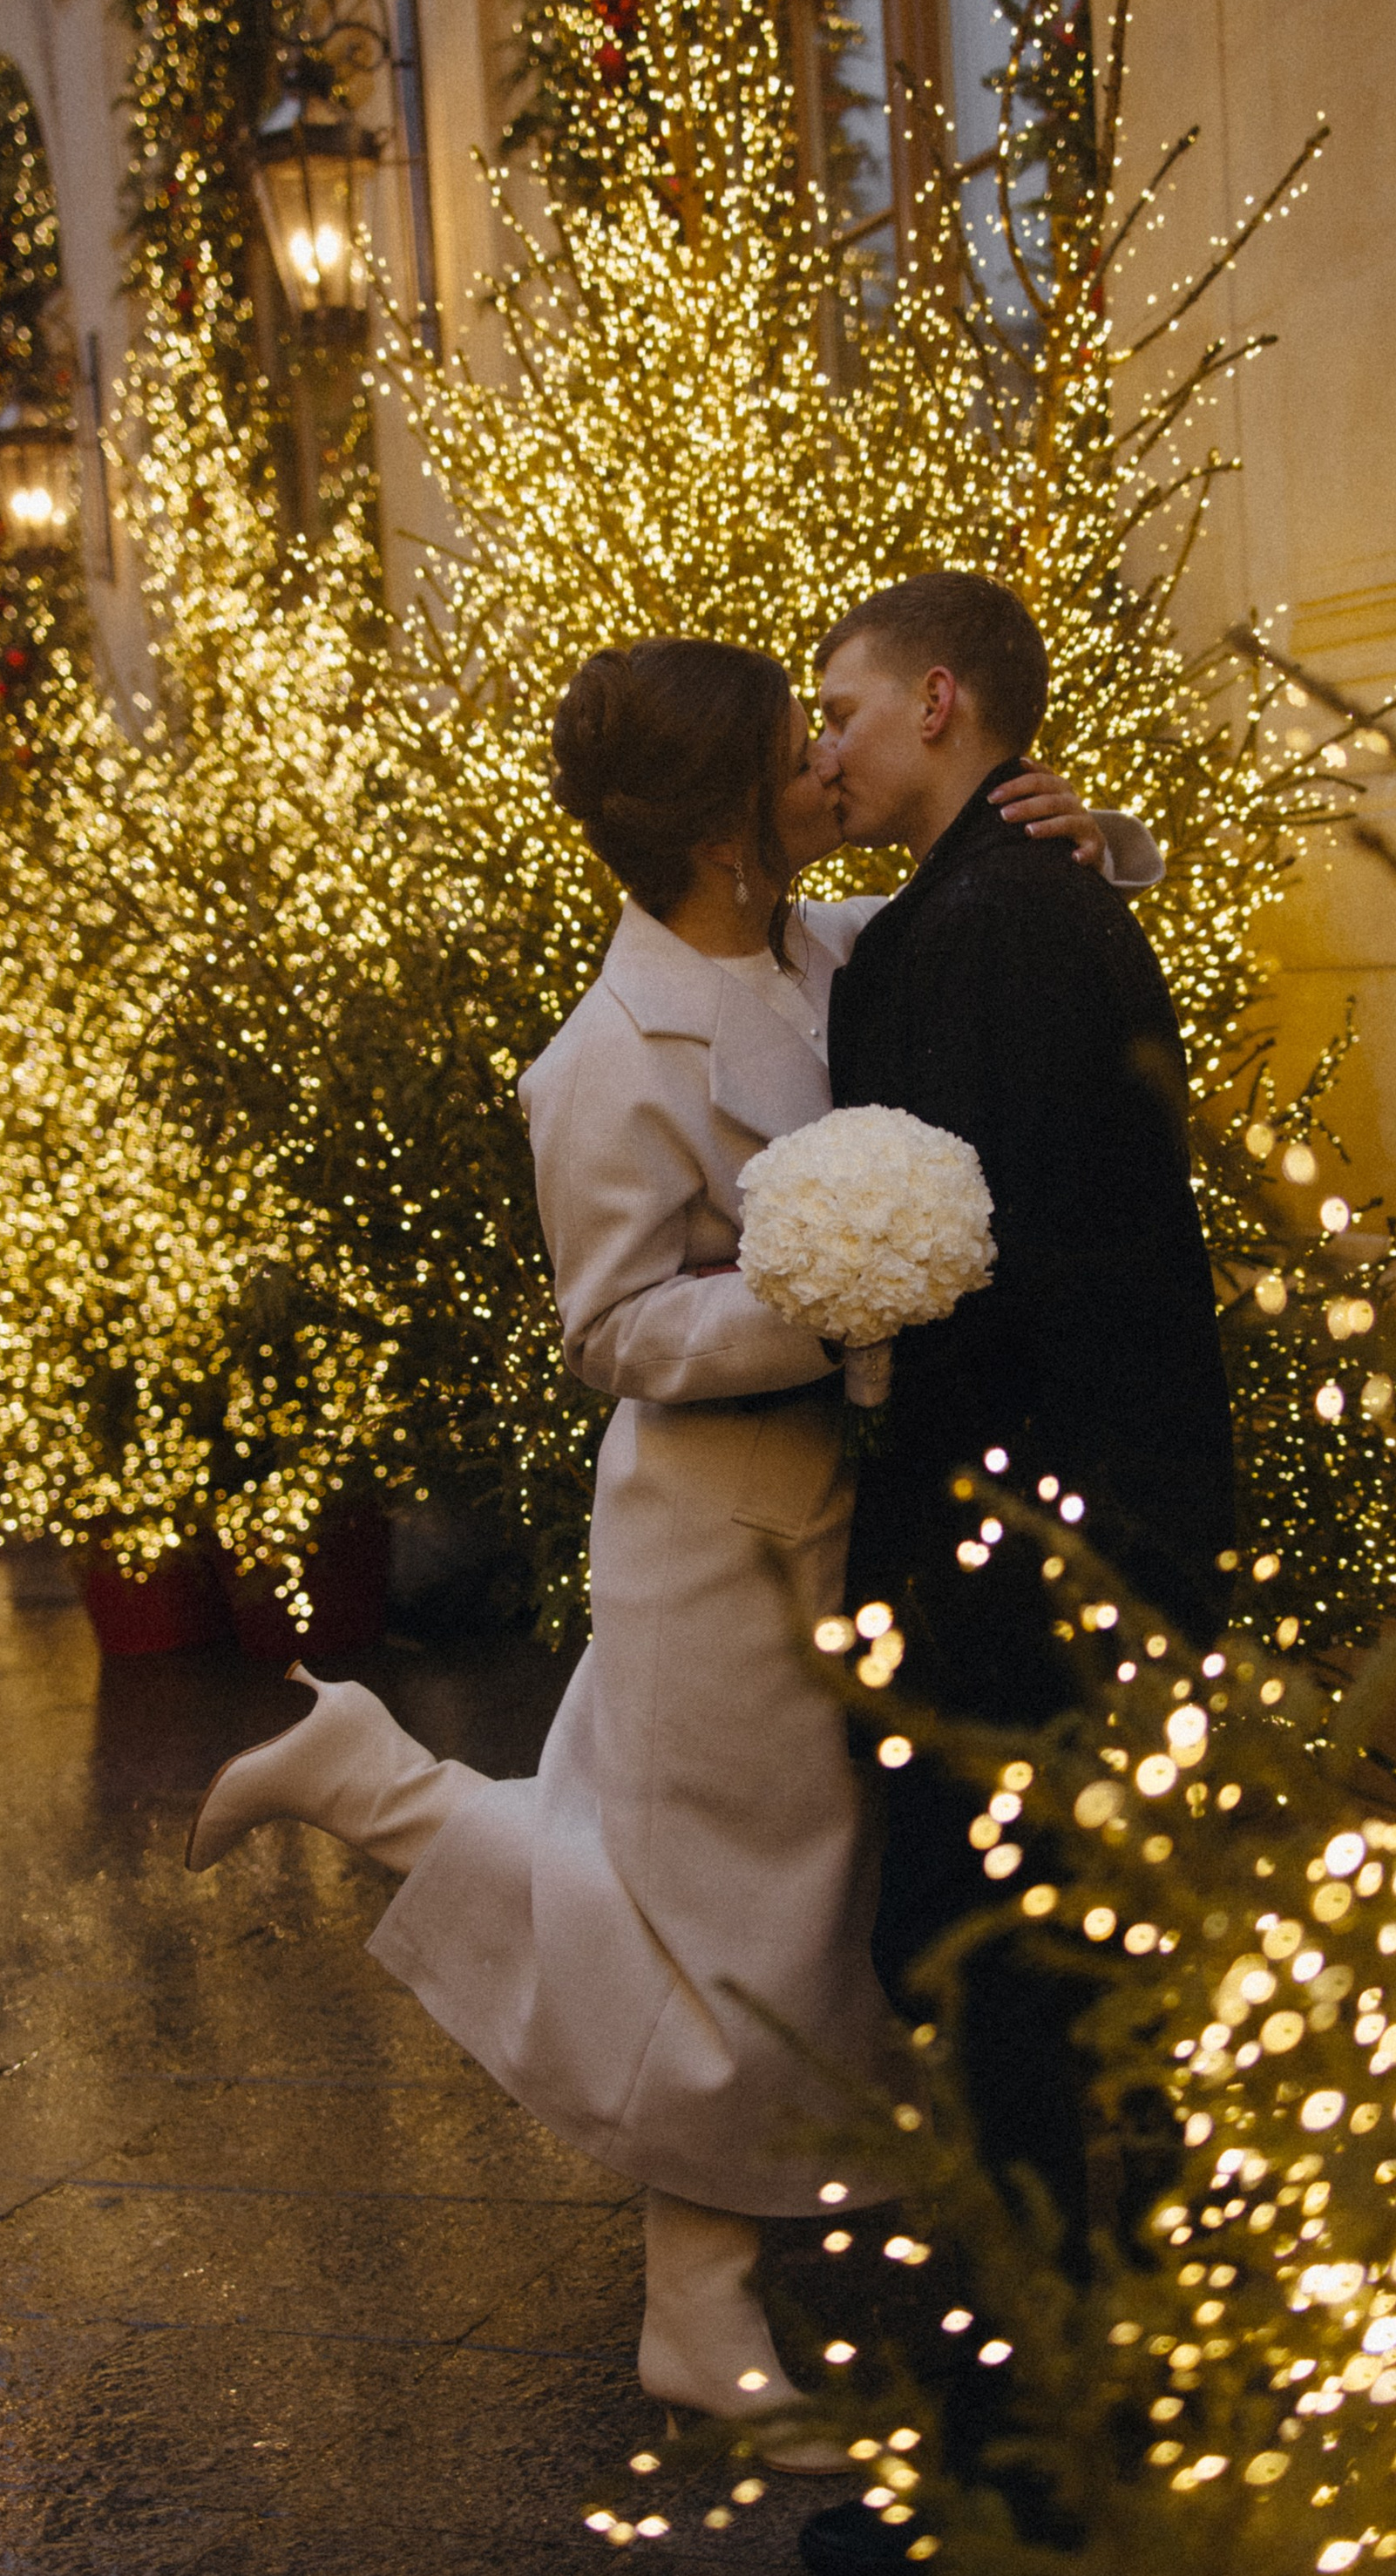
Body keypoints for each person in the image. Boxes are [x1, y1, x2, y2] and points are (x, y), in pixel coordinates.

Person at [184, 636, 1150, 2464]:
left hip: (845, 1519)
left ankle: (694, 2305)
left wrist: (1085, 839)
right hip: (718, 1541)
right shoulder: (604, 1060)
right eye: (793, 751)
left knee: (775, 1922)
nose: (824, 764)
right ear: (722, 825)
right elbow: (611, 1328)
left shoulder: (818, 944)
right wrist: (827, 1301)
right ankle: (380, 1792)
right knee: (718, 1923)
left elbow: (972, 924)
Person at [797, 568, 1235, 2576]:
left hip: (1019, 1533)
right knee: (1052, 1981)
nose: (825, 749)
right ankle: (1106, 2398)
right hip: (1082, 1518)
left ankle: (1022, 2454)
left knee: (993, 1985)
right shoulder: (1014, 894)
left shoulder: (982, 925)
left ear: (939, 702)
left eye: (842, 710)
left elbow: (976, 1250)